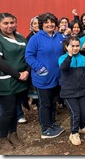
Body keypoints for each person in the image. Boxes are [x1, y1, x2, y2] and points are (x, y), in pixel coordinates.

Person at [25, 12, 65, 139]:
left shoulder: (59, 37)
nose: (50, 24)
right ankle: (45, 129)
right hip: (43, 78)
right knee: (45, 104)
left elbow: (68, 49)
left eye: (52, 22)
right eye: (46, 22)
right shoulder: (35, 38)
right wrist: (39, 68)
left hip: (57, 77)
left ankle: (52, 124)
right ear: (42, 24)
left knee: (53, 102)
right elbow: (29, 56)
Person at [0, 13, 29, 150]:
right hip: (7, 81)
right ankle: (2, 137)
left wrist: (27, 72)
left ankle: (13, 134)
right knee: (8, 111)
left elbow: (28, 55)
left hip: (21, 80)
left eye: (12, 22)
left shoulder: (20, 37)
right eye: (6, 23)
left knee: (16, 109)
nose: (10, 25)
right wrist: (17, 74)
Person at [58, 36, 85, 146]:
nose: (75, 48)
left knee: (84, 111)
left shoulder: (83, 59)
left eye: (77, 46)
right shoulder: (62, 58)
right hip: (69, 92)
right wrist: (69, 55)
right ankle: (74, 132)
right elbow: (63, 68)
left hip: (82, 90)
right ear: (66, 47)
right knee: (75, 112)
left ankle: (82, 127)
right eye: (72, 46)